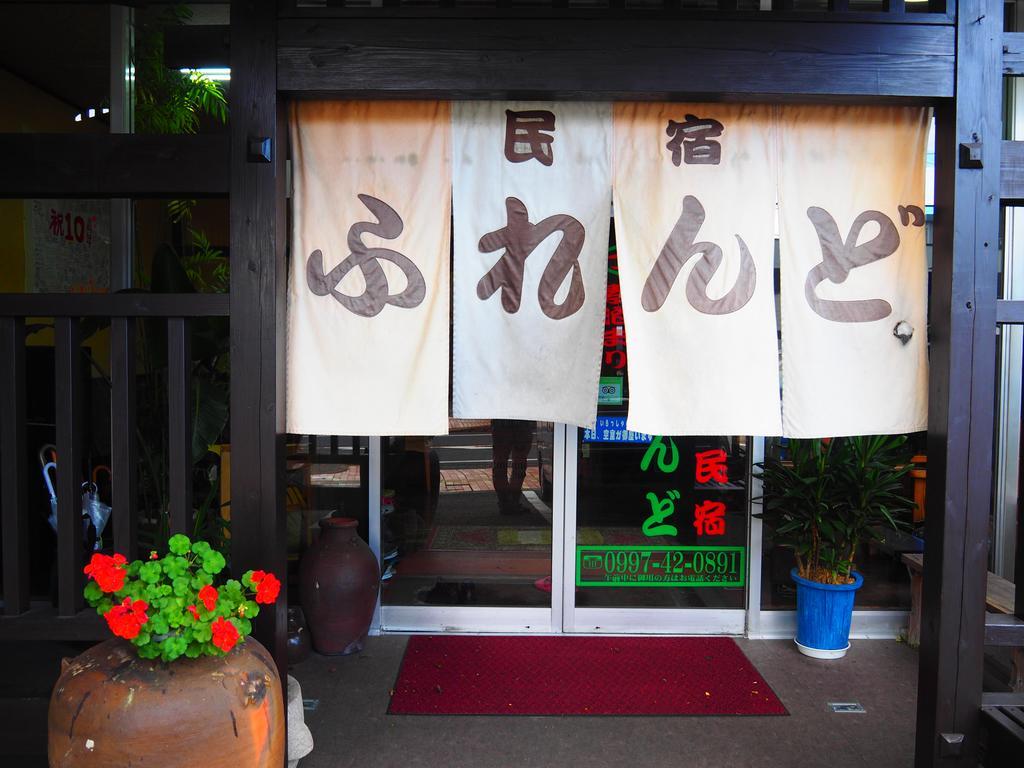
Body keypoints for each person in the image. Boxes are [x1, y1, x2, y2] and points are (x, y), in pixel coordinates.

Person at [490, 419, 536, 515]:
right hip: (521, 422)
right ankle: (513, 500)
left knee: (500, 462)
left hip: (501, 423)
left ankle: (504, 501)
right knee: (519, 463)